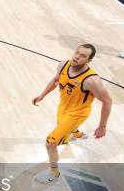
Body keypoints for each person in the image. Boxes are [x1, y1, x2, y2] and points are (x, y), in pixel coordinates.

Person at [32, 44, 112, 183]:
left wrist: (102, 126)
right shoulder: (63, 65)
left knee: (51, 143)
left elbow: (107, 101)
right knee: (64, 128)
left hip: (78, 113)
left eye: (83, 56)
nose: (77, 57)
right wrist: (42, 95)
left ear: (89, 61)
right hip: (63, 107)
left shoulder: (91, 80)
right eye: (77, 52)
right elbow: (56, 80)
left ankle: (54, 172)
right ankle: (77, 133)